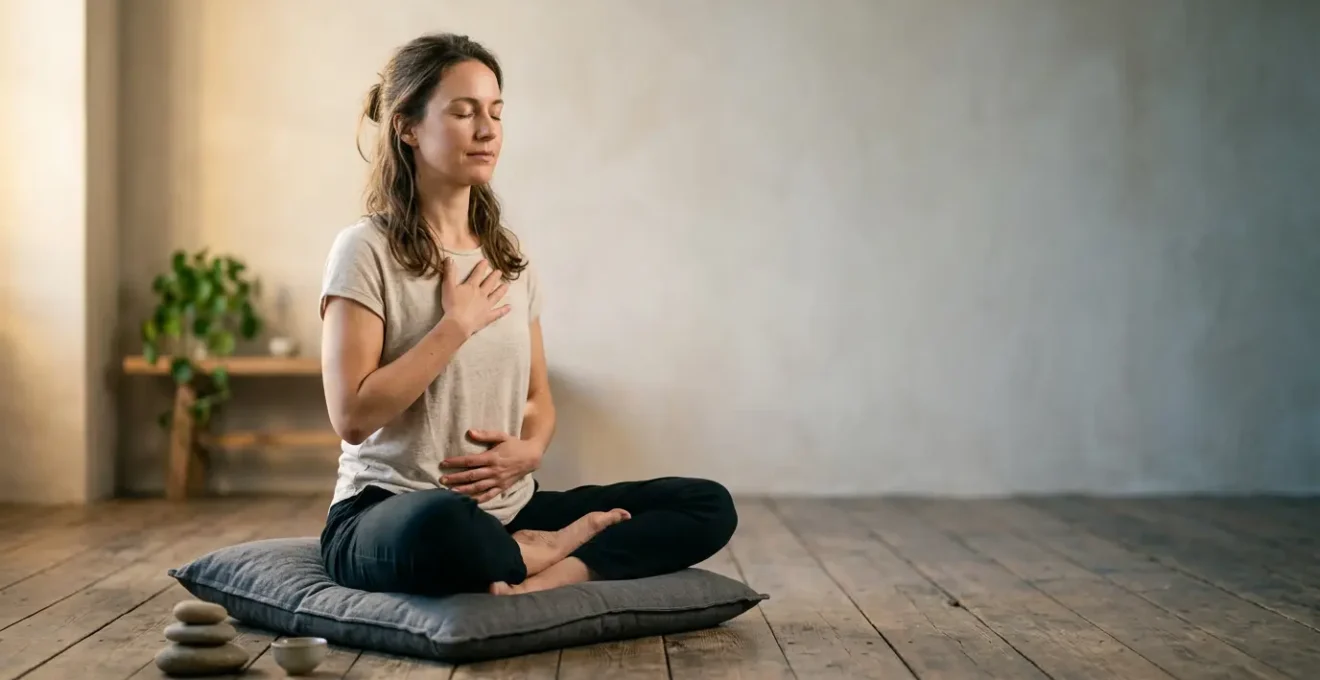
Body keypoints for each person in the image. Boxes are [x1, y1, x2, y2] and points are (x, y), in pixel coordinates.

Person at [316, 33, 737, 597]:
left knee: (706, 503)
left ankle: (548, 568)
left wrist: (531, 449)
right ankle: (540, 551)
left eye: (495, 112)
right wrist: (455, 326)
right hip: (391, 510)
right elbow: (353, 416)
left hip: (510, 509)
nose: (487, 130)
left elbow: (538, 398)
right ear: (408, 128)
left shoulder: (507, 257)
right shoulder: (365, 250)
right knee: (439, 525)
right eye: (463, 113)